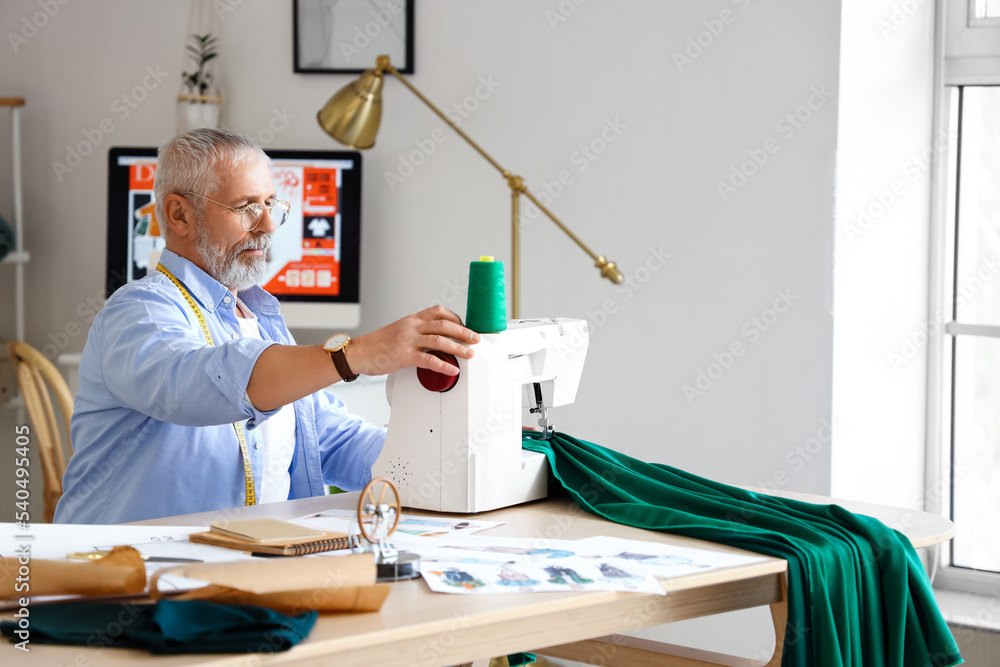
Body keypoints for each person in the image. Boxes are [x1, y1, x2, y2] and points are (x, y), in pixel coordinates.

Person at [54, 128, 479, 524]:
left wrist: (455, 462)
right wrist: (357, 354)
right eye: (246, 207)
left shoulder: (260, 321)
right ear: (179, 215)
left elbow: (328, 439)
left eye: (271, 204)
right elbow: (198, 385)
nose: (269, 224)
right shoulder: (137, 312)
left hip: (237, 568)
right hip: (128, 579)